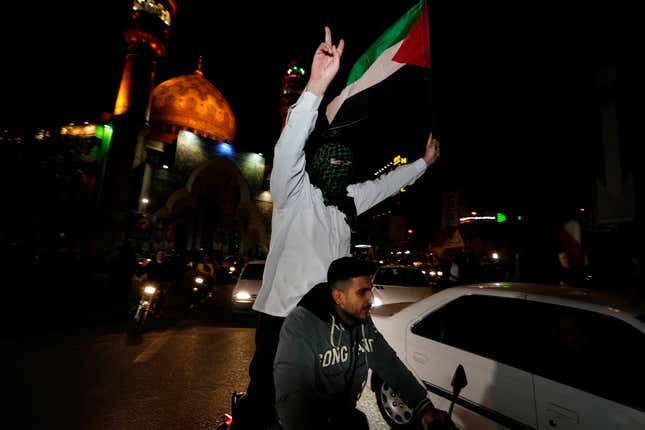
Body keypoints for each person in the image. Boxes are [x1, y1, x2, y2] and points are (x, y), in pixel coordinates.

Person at [230, 26, 441, 430]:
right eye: (332, 162)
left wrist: (424, 164)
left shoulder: (347, 200)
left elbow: (383, 186)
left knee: (333, 404)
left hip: (333, 321)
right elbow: (289, 148)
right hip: (283, 320)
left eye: (345, 164)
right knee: (266, 403)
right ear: (317, 165)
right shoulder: (293, 194)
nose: (339, 168)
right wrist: (316, 85)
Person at [274, 256, 455, 430]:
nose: (371, 299)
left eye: (371, 290)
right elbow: (292, 397)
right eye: (362, 292)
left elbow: (388, 363)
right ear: (339, 297)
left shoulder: (361, 322)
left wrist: (423, 406)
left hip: (346, 416)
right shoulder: (301, 325)